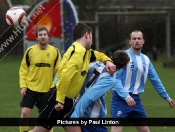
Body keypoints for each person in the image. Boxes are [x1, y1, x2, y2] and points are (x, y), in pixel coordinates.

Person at [32, 23, 116, 132]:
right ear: (87, 35)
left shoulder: (85, 52)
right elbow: (66, 76)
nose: (92, 41)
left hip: (68, 101)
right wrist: (60, 101)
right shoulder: (78, 51)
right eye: (91, 37)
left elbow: (98, 55)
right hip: (57, 100)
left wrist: (108, 61)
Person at [110, 30, 175, 132]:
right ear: (130, 41)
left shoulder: (146, 60)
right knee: (116, 129)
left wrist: (166, 96)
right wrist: (126, 96)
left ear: (143, 41)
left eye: (139, 38)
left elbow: (155, 80)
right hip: (120, 99)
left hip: (136, 100)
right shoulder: (123, 56)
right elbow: (115, 78)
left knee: (144, 130)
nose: (137, 41)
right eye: (134, 39)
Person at [69, 50, 130, 132]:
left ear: (110, 58)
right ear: (124, 67)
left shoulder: (94, 63)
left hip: (75, 107)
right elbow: (89, 96)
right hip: (91, 117)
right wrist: (74, 115)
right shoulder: (110, 79)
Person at [19, 27, 61, 132]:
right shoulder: (30, 51)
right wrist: (23, 85)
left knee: (46, 119)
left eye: (44, 34)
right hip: (31, 89)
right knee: (24, 113)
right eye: (40, 35)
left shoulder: (55, 52)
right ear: (36, 37)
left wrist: (54, 86)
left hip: (47, 91)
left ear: (48, 36)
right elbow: (23, 70)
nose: (43, 37)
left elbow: (59, 72)